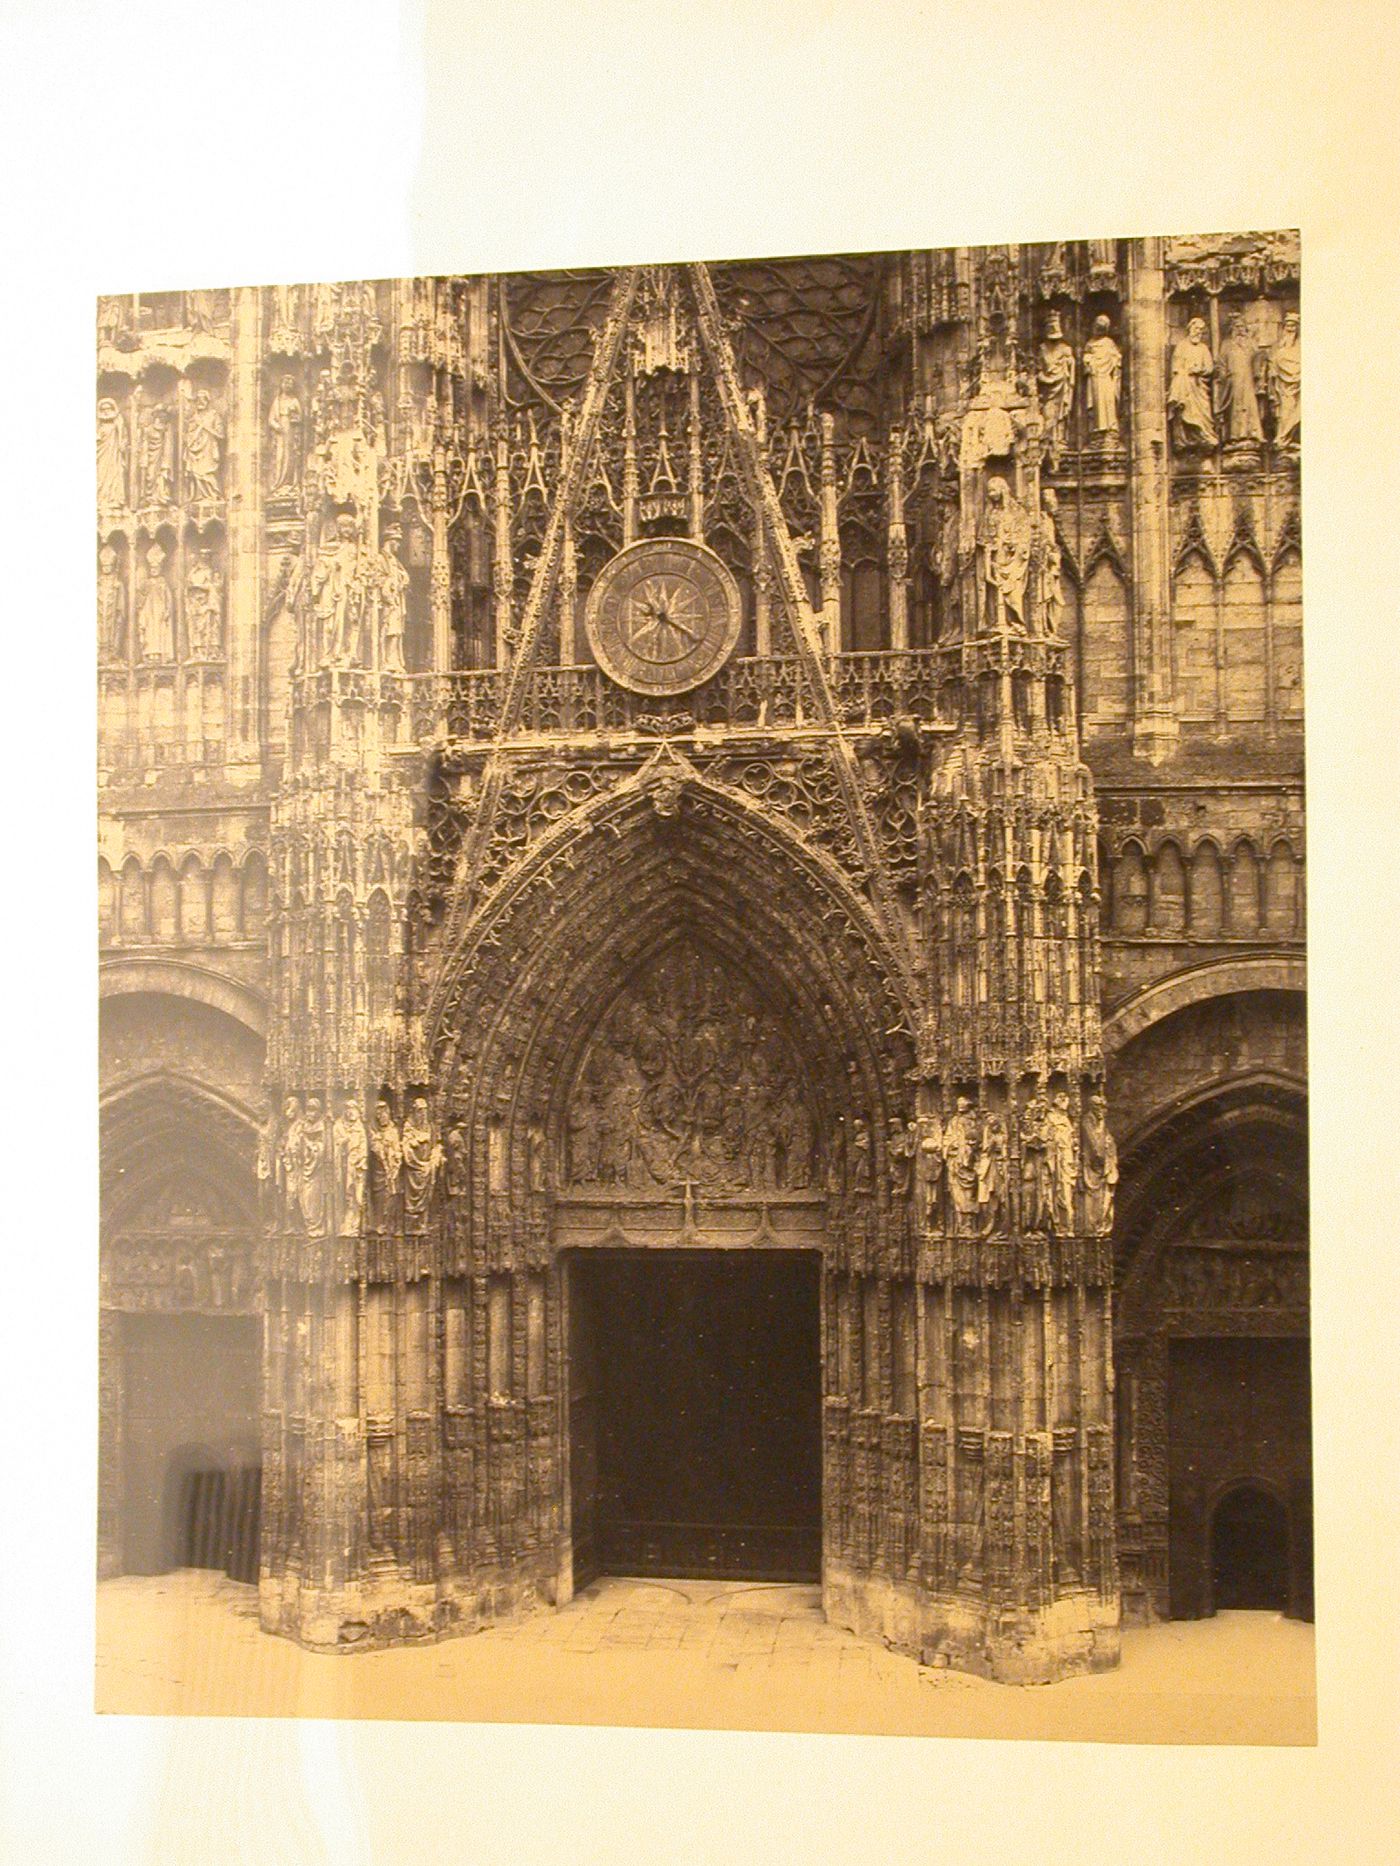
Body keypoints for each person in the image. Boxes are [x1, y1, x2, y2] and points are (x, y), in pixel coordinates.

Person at [1214, 310, 1264, 446]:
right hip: (1233, 380)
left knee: (1250, 405)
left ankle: (1253, 433)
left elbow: (1258, 359)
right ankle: (1234, 436)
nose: (1240, 330)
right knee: (1235, 407)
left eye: (1242, 327)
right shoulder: (1227, 344)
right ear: (1232, 329)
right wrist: (1224, 375)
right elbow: (1221, 363)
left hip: (1248, 379)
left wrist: (1258, 371)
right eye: (1237, 327)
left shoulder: (1251, 344)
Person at [1168, 317, 1218, 452]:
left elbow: (1209, 367)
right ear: (1190, 329)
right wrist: (1186, 372)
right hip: (1185, 385)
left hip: (1199, 386)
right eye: (1196, 329)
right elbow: (1175, 368)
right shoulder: (1181, 346)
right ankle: (1183, 438)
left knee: (1203, 412)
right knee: (1182, 406)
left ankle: (1205, 436)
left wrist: (1199, 370)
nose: (1198, 332)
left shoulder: (1203, 349)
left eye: (1201, 330)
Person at [1036, 311, 1076, 466]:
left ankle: (1060, 439)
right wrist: (1043, 377)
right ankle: (1049, 440)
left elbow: (1070, 369)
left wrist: (1068, 364)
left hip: (1061, 385)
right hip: (1047, 388)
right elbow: (1038, 369)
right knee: (1048, 415)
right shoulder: (1042, 349)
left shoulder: (1066, 349)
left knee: (1062, 415)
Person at [1081, 314, 1122, 441]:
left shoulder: (1109, 343)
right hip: (1095, 377)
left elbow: (1116, 359)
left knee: (1108, 401)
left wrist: (1114, 363)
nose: (1096, 330)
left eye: (1100, 327)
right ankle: (1097, 428)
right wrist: (1089, 362)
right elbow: (1086, 359)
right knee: (1096, 402)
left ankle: (1111, 427)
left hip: (1106, 378)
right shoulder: (1090, 344)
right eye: (1096, 326)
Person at [136, 542, 176, 663]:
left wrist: (168, 609)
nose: (154, 570)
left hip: (159, 612)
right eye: (152, 568)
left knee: (159, 632)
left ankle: (160, 654)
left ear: (160, 568)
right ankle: (149, 654)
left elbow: (168, 599)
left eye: (156, 568)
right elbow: (140, 599)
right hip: (148, 613)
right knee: (149, 633)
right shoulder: (146, 583)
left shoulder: (163, 583)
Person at [184, 388, 225, 500]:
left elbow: (221, 435)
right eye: (198, 400)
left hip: (208, 449)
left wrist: (206, 428)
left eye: (203, 400)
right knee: (195, 475)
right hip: (195, 451)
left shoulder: (213, 415)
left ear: (207, 401)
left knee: (207, 474)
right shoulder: (193, 418)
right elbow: (188, 435)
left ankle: (212, 495)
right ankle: (197, 497)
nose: (200, 402)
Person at [1269, 310, 1301, 452]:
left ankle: (1292, 439)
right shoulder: (1279, 350)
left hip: (1299, 386)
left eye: (1293, 326)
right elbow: (1273, 366)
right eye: (1288, 326)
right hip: (1284, 387)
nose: (1290, 329)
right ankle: (1283, 439)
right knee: (1286, 411)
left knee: (1298, 411)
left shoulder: (1300, 348)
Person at [268, 373, 304, 492]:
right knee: (280, 457)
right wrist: (276, 426)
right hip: (280, 432)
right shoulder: (277, 401)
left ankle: (288, 482)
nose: (288, 386)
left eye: (290, 384)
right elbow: (271, 419)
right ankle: (278, 482)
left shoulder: (294, 401)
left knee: (290, 456)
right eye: (285, 383)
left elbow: (300, 418)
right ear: (281, 385)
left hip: (291, 431)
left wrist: (294, 419)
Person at [97, 396, 128, 508]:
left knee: (114, 475)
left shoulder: (117, 424)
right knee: (101, 475)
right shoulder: (98, 425)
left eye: (108, 409)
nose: (106, 412)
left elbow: (123, 439)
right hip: (101, 456)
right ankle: (102, 499)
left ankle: (114, 498)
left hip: (114, 456)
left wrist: (121, 442)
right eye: (103, 409)